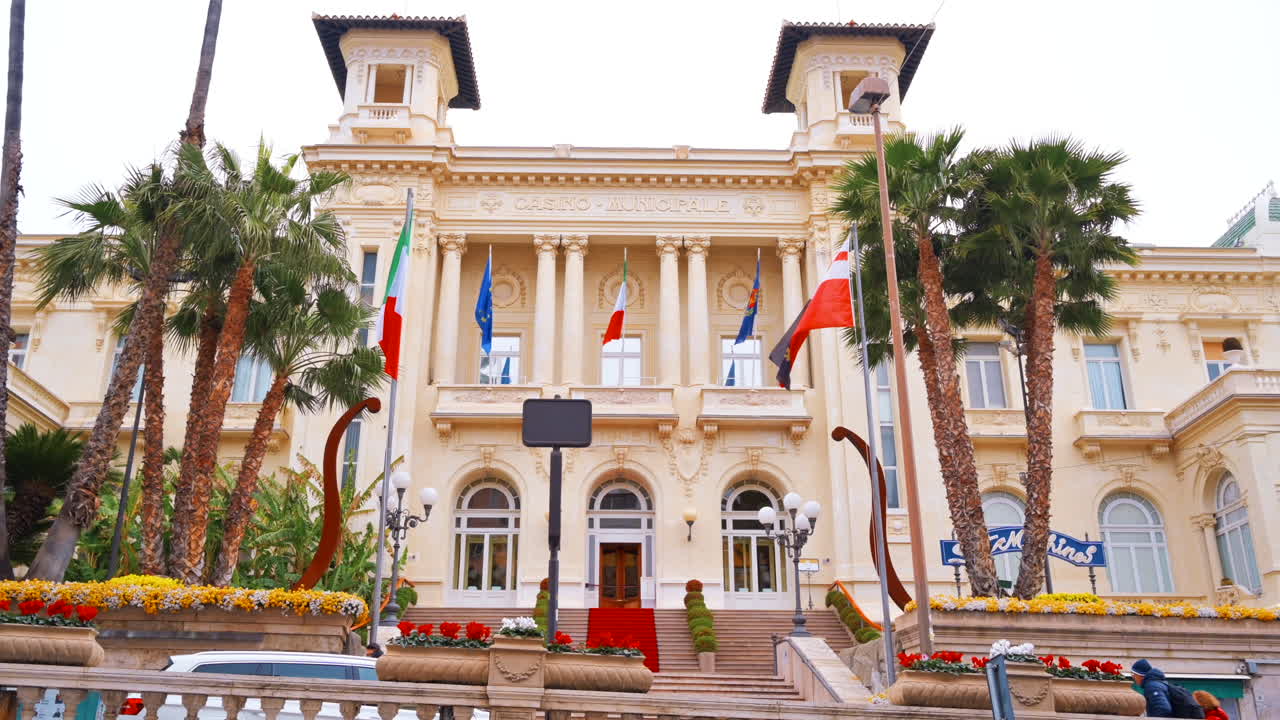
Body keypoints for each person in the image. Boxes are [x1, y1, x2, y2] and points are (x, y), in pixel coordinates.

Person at [1131, 659, 1204, 718]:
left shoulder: (1152, 686)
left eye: (1134, 674)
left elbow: (1162, 709)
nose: (1133, 677)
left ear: (1140, 674)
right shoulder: (1159, 684)